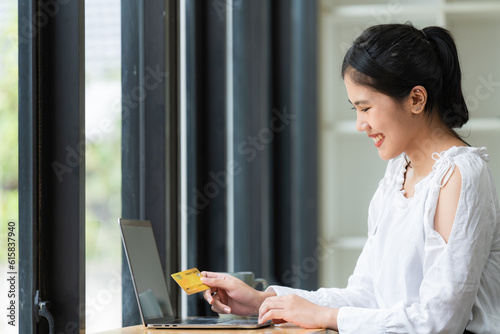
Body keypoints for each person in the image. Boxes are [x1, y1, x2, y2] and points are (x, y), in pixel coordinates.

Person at [200, 23, 500, 333]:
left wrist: (327, 317)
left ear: (416, 99)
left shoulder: (461, 174)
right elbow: (366, 296)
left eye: (366, 108)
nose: (361, 124)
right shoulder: (398, 173)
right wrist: (264, 300)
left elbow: (440, 322)